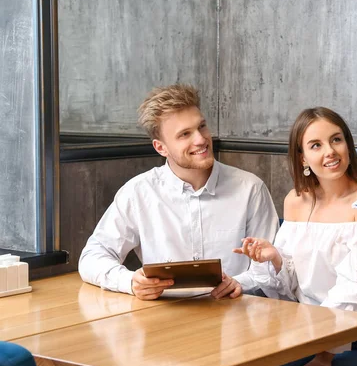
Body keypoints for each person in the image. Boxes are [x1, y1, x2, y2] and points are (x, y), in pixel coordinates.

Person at [234, 107, 357, 366]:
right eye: (316, 145)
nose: (330, 151)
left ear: (347, 144)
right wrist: (274, 257)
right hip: (301, 337)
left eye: (336, 139)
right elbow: (291, 287)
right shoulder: (295, 201)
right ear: (303, 157)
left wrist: (324, 354)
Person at [79, 84, 279, 301]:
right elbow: (92, 257)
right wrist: (130, 282)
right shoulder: (138, 193)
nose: (201, 139)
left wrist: (240, 282)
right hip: (164, 321)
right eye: (185, 134)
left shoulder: (250, 189)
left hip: (234, 319)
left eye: (201, 127)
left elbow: (273, 268)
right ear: (160, 148)